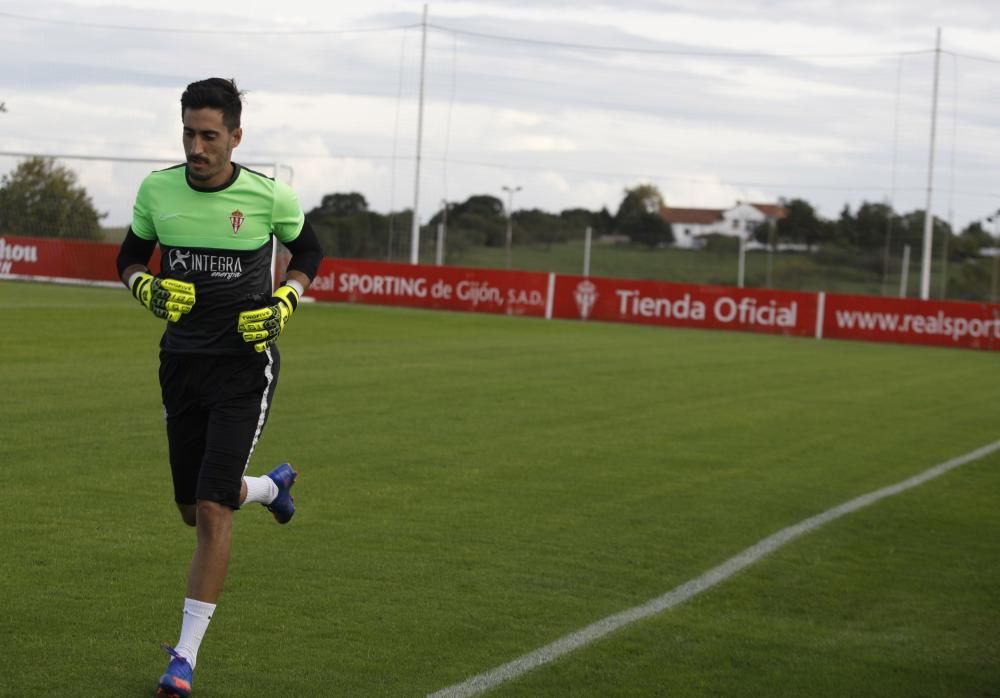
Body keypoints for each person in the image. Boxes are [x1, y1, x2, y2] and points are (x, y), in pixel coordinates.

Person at [116, 77, 323, 698]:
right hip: (180, 363)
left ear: (236, 136)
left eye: (210, 136)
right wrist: (144, 288)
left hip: (243, 366)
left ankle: (184, 658)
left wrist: (288, 296)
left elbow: (309, 250)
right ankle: (268, 488)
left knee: (211, 510)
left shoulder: (267, 196)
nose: (197, 147)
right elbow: (128, 256)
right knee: (192, 507)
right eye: (189, 133)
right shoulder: (157, 190)